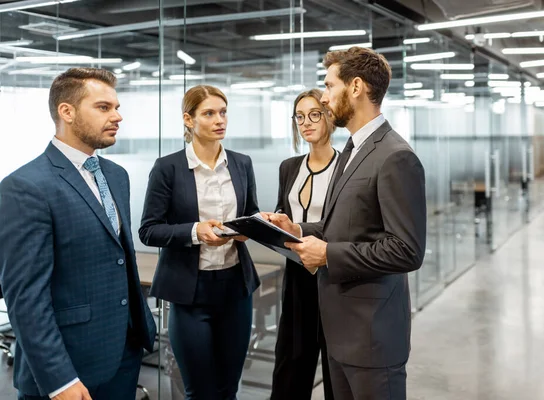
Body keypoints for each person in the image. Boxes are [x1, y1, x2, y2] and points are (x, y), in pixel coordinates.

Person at [264, 47, 427, 400]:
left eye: (329, 85)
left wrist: (327, 255)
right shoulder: (354, 151)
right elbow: (344, 226)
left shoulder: (395, 156)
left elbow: (407, 250)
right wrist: (298, 230)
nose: (324, 96)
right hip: (340, 331)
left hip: (373, 338)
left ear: (355, 87)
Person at [0, 67, 157, 400]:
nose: (117, 116)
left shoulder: (116, 176)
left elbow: (117, 256)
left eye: (116, 107)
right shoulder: (25, 187)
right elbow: (26, 298)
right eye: (103, 107)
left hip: (123, 354)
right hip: (67, 368)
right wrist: (59, 380)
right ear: (66, 112)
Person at [138, 84, 260, 400]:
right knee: (200, 392)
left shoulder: (241, 163)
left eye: (223, 112)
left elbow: (251, 212)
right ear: (188, 120)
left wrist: (255, 227)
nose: (220, 120)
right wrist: (195, 232)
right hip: (189, 292)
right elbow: (149, 230)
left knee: (228, 389)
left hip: (235, 289)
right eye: (209, 113)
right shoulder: (168, 167)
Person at [270, 89, 337, 400]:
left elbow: (346, 225)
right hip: (297, 278)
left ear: (329, 117)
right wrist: (272, 223)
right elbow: (284, 214)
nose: (306, 123)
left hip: (333, 275)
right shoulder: (289, 167)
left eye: (314, 114)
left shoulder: (346, 166)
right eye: (299, 117)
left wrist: (298, 229)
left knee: (336, 372)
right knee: (290, 368)